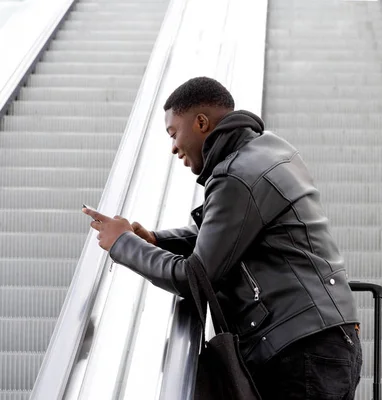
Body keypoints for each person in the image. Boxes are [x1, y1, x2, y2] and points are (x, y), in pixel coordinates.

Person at [83, 77, 362, 399]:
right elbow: (240, 236)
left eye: (174, 133)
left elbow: (196, 277)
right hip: (315, 337)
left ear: (201, 123)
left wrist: (123, 244)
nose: (173, 147)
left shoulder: (237, 175)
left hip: (299, 348)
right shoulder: (264, 152)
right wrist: (158, 241)